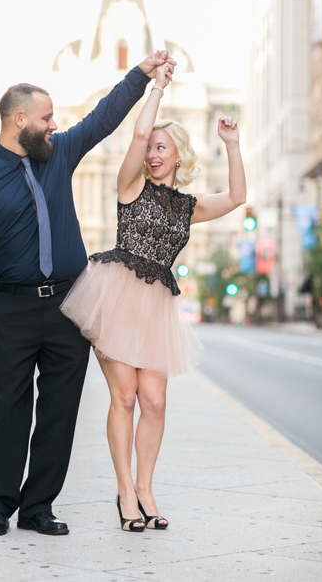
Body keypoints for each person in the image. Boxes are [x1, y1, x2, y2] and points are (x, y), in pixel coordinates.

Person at [0, 50, 175, 537]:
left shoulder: (60, 153)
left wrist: (142, 76)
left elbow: (104, 118)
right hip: (13, 308)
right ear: (19, 119)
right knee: (8, 409)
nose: (54, 125)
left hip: (72, 304)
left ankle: (38, 507)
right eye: (46, 118)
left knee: (60, 411)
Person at [59, 58, 246, 532]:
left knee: (155, 401)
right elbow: (137, 136)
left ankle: (146, 487)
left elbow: (237, 198)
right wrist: (156, 90)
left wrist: (232, 144)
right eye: (151, 148)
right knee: (124, 398)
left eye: (163, 148)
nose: (154, 153)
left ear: (178, 155)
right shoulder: (130, 186)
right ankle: (124, 491)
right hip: (115, 298)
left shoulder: (188, 207)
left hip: (157, 305)